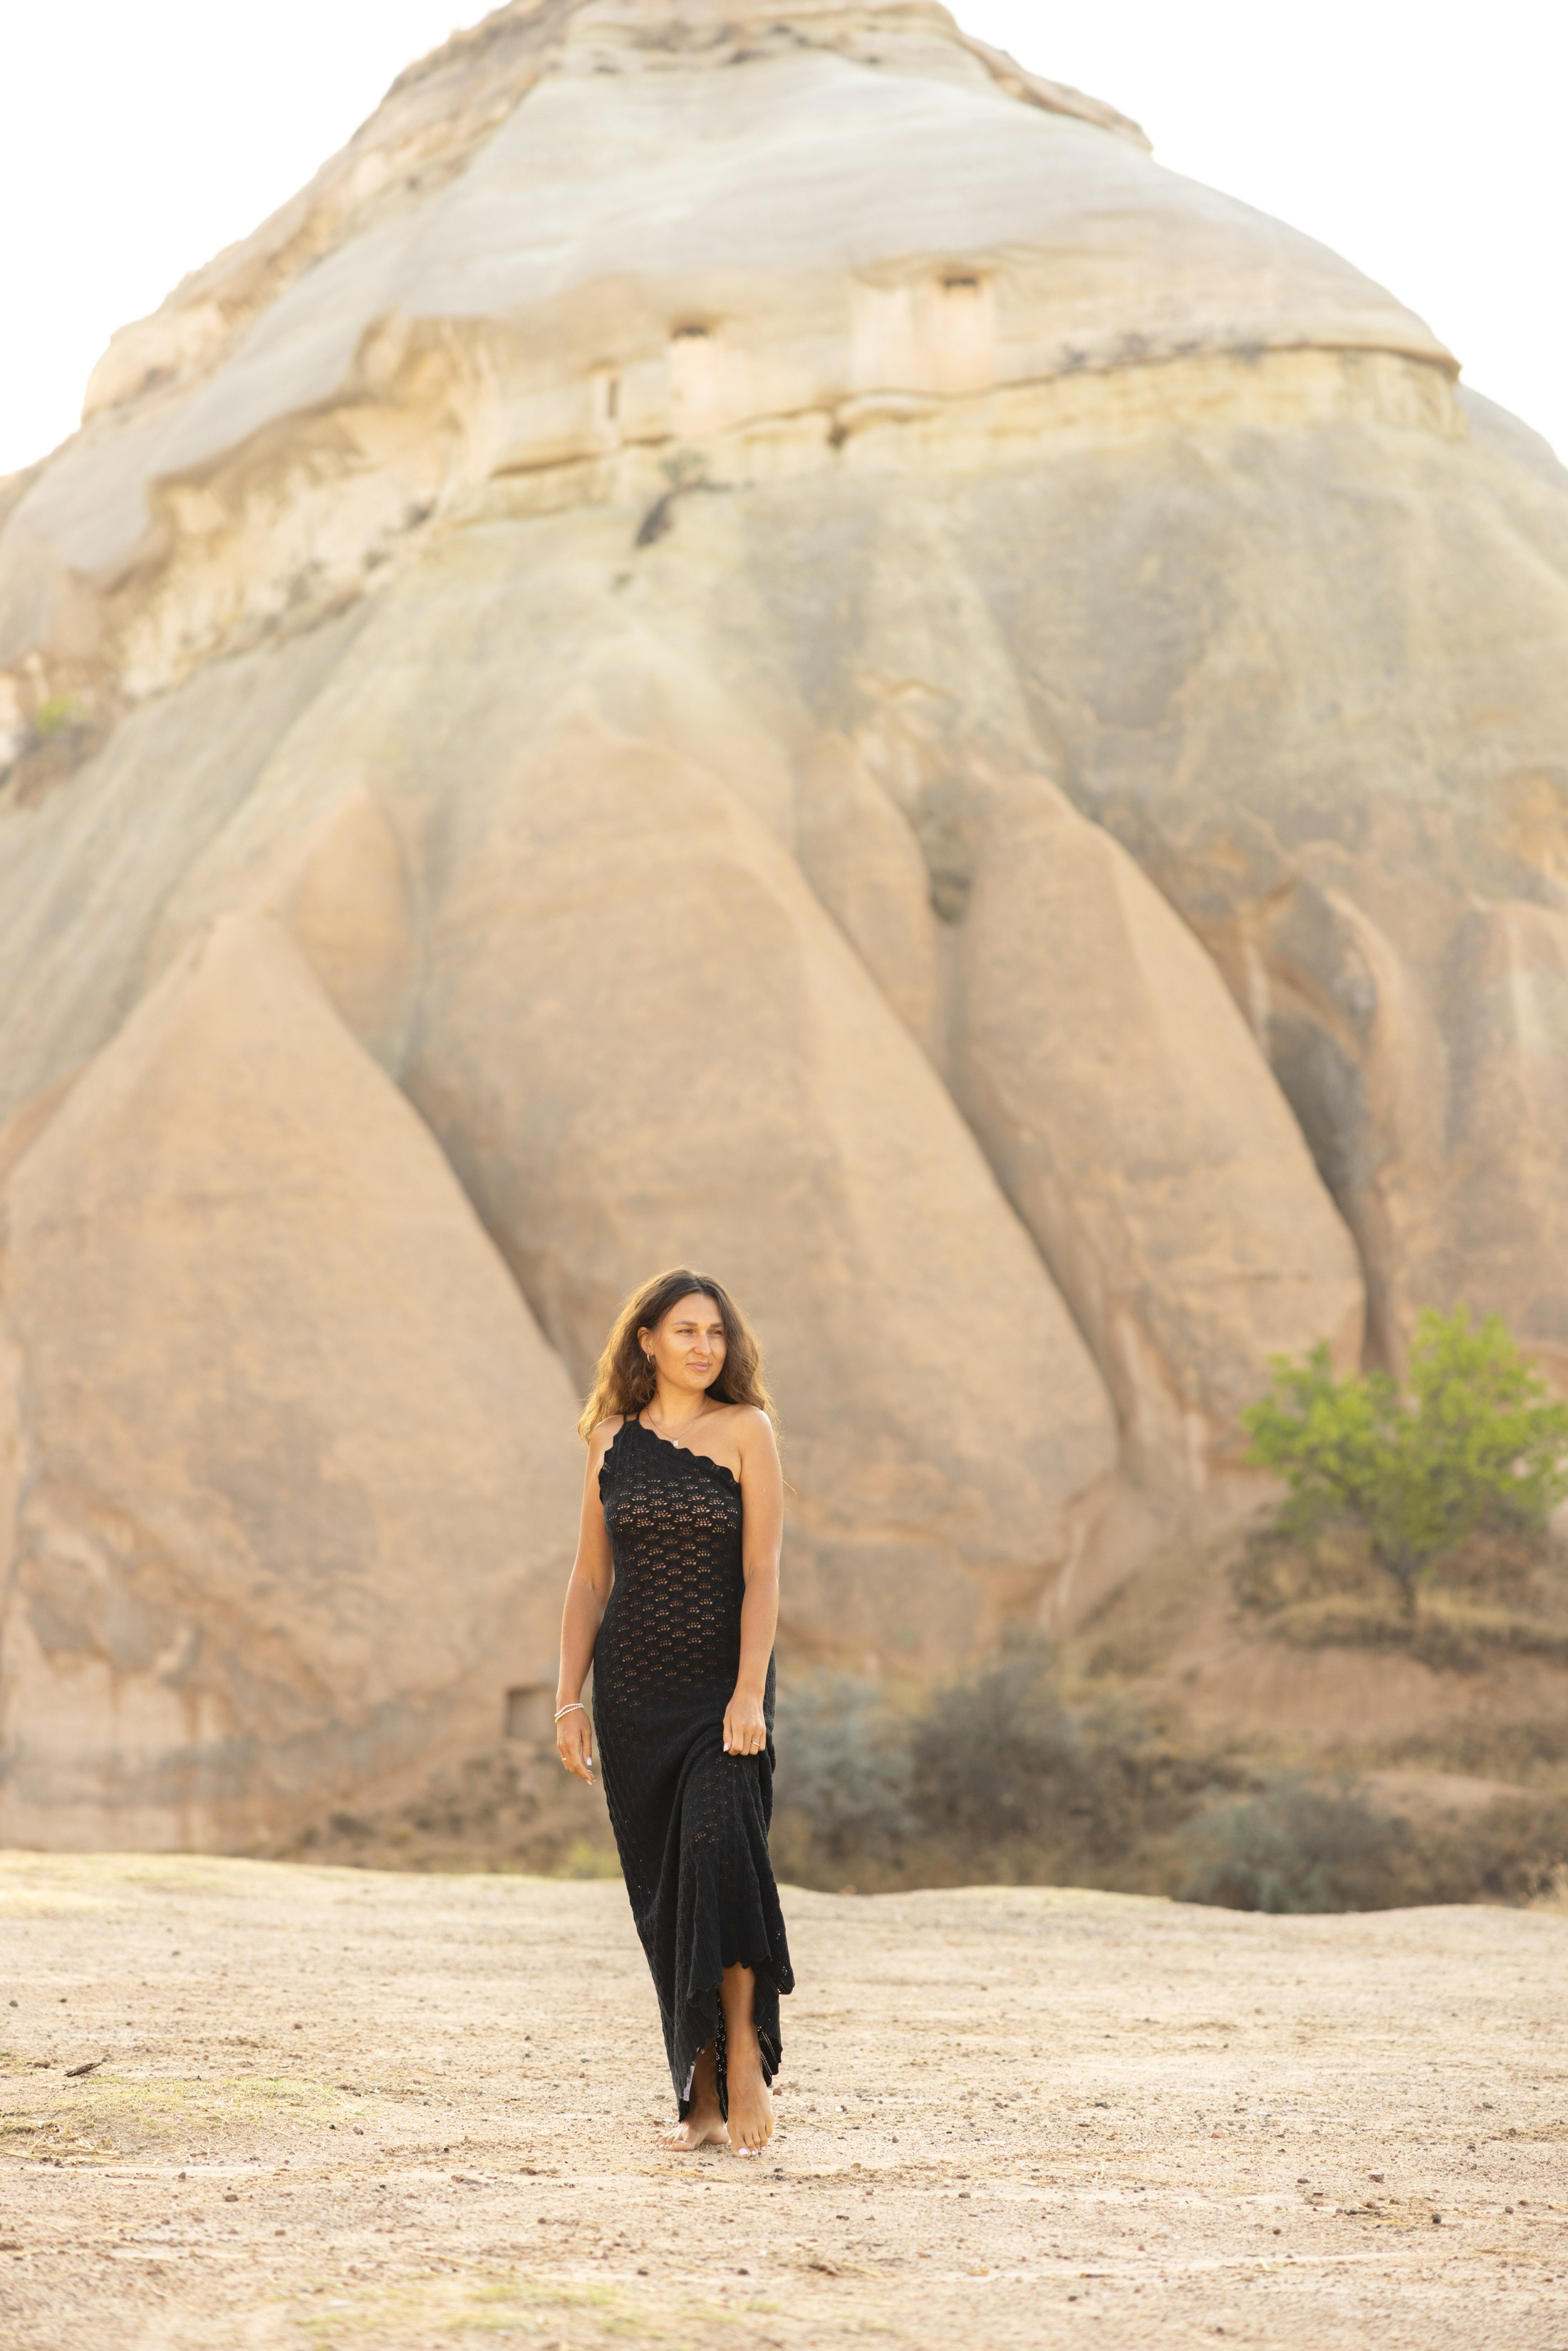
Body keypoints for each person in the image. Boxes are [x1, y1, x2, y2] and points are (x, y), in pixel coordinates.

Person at [555, 1267, 794, 2157]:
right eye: (685, 1331)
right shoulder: (610, 1439)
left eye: (716, 1333)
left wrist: (746, 1692)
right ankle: (695, 2093)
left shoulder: (746, 1431)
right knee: (664, 1888)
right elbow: (588, 1578)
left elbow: (763, 1571)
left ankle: (740, 2057)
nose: (704, 1347)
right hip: (631, 1694)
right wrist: (565, 1700)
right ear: (645, 1340)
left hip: (721, 1689)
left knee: (721, 1851)